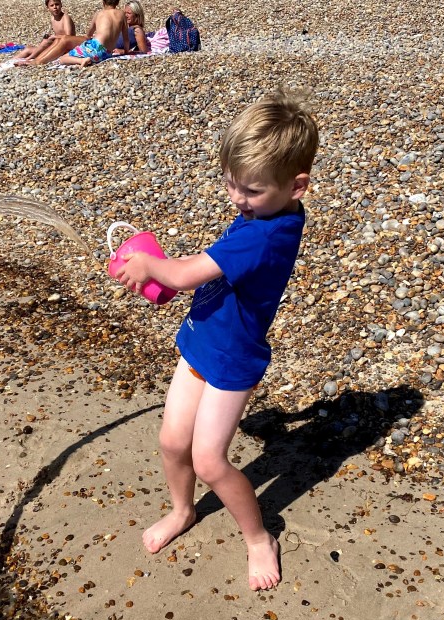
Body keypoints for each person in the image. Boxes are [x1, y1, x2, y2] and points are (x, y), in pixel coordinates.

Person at [114, 88, 320, 591]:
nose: (237, 198)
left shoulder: (266, 234)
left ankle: (258, 537)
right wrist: (165, 268)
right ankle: (181, 511)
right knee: (171, 441)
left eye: (250, 190)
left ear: (296, 186)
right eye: (230, 182)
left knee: (209, 460)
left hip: (232, 359)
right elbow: (209, 266)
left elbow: (188, 275)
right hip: (202, 342)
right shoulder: (262, 213)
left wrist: (150, 266)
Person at [25, 0, 127, 66]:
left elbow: (88, 35)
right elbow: (126, 38)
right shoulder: (122, 14)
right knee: (63, 42)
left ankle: (37, 62)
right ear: (118, 2)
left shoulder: (99, 13)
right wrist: (126, 51)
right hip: (107, 53)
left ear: (103, 2)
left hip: (96, 48)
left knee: (62, 57)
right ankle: (36, 59)